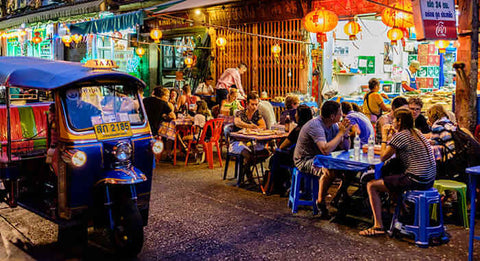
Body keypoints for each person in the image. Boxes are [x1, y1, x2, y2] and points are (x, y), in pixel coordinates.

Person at [360, 108, 435, 236]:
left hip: (416, 179)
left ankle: (378, 226)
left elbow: (383, 156)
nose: (392, 121)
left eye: (394, 119)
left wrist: (384, 137)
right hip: (429, 179)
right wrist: (393, 136)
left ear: (399, 121)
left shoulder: (401, 135)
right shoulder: (415, 132)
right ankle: (403, 212)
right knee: (392, 176)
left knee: (371, 185)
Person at [293, 100, 352, 218]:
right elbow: (325, 149)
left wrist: (345, 134)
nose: (342, 116)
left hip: (322, 158)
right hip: (305, 159)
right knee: (329, 170)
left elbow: (346, 147)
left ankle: (338, 198)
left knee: (350, 170)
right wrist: (340, 134)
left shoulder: (334, 126)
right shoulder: (316, 125)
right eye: (340, 113)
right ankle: (321, 202)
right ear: (332, 116)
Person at [265, 105, 313, 195]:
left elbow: (282, 146)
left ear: (300, 116)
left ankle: (277, 187)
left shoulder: (298, 130)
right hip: (310, 158)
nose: (295, 115)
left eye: (296, 113)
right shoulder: (312, 128)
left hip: (296, 160)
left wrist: (276, 149)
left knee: (275, 157)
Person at [230, 93, 268, 183]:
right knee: (247, 154)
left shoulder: (257, 114)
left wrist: (255, 128)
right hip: (237, 142)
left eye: (256, 104)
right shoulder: (240, 113)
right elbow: (237, 122)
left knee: (266, 153)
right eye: (252, 104)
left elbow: (263, 126)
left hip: (251, 142)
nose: (254, 107)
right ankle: (248, 175)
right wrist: (251, 126)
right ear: (247, 104)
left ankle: (244, 171)